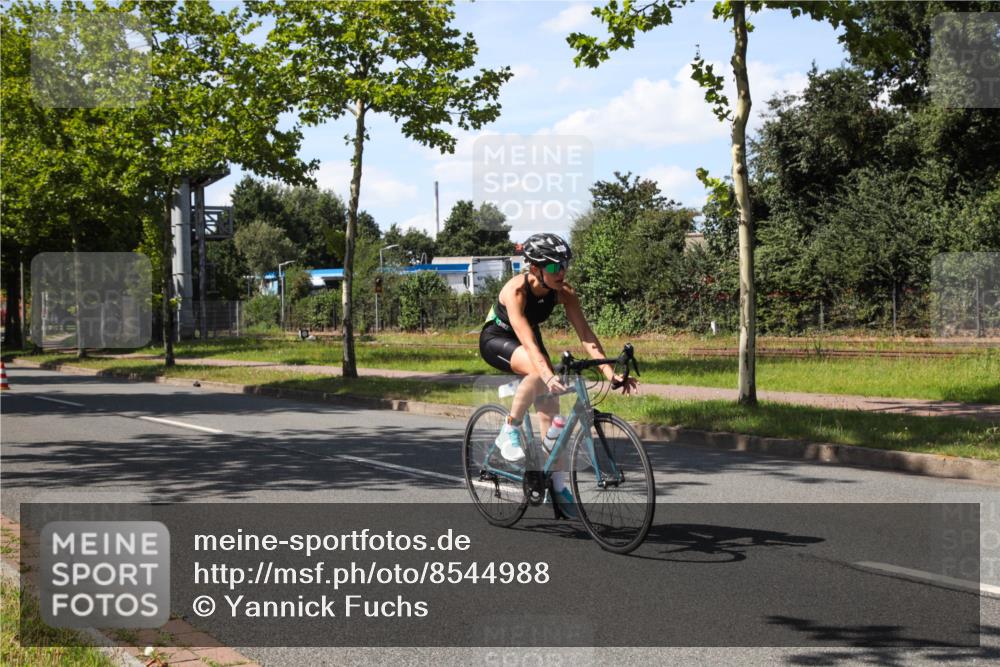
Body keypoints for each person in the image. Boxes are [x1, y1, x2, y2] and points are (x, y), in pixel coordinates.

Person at [479, 233, 638, 464]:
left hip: (529, 339)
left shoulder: (564, 292)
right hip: (497, 337)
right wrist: (545, 374)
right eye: (554, 267)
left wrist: (609, 373)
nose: (561, 271)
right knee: (539, 372)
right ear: (535, 269)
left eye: (564, 265)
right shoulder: (517, 291)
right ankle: (510, 429)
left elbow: (586, 334)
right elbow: (528, 342)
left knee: (553, 421)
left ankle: (555, 483)